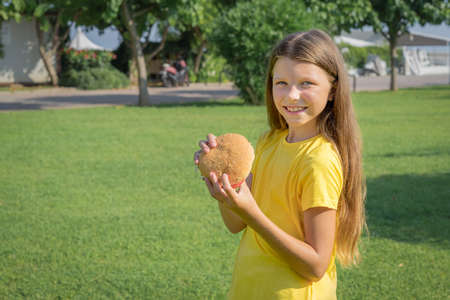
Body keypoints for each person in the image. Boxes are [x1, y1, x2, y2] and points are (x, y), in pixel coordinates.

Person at [193, 29, 366, 300]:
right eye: (281, 82)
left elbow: (316, 266)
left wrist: (253, 215)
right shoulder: (269, 142)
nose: (291, 95)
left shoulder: (318, 160)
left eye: (306, 83)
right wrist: (221, 182)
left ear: (333, 90)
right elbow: (235, 223)